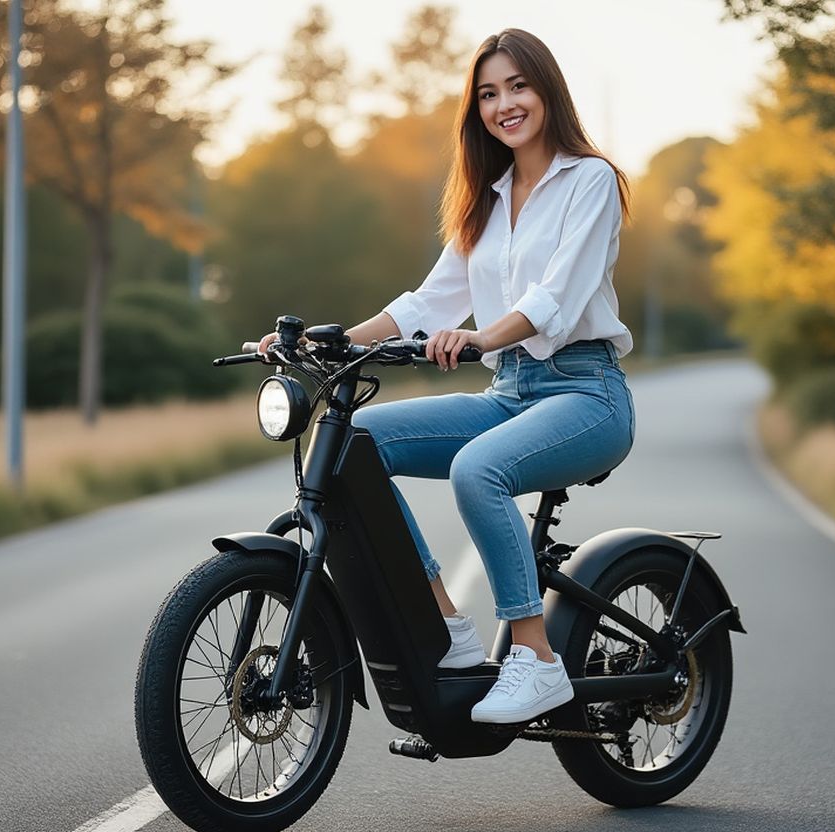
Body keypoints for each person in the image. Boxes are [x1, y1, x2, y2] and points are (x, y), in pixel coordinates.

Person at [258, 28, 634, 725]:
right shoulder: (485, 198)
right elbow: (426, 303)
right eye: (488, 94)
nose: (504, 104)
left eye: (517, 86)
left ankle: (536, 659)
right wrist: (319, 340)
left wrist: (482, 335)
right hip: (510, 391)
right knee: (354, 442)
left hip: (586, 392)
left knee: (477, 471)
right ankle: (445, 627)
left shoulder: (592, 181)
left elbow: (557, 296)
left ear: (547, 89)